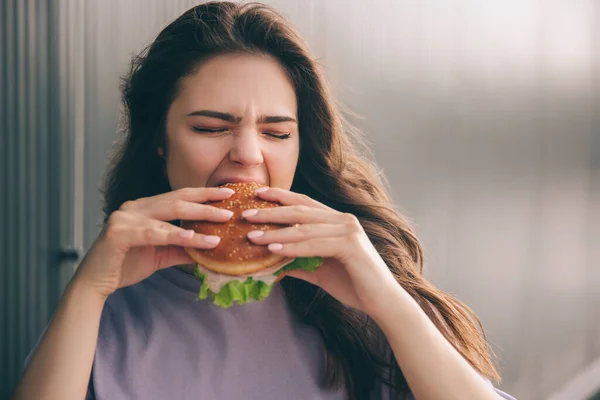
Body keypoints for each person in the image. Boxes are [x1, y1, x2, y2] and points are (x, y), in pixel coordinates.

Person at [13, 2, 516, 399]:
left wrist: (384, 298)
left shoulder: (353, 294)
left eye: (277, 133)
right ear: (159, 141)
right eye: (211, 128)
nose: (248, 155)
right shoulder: (107, 309)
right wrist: (86, 292)